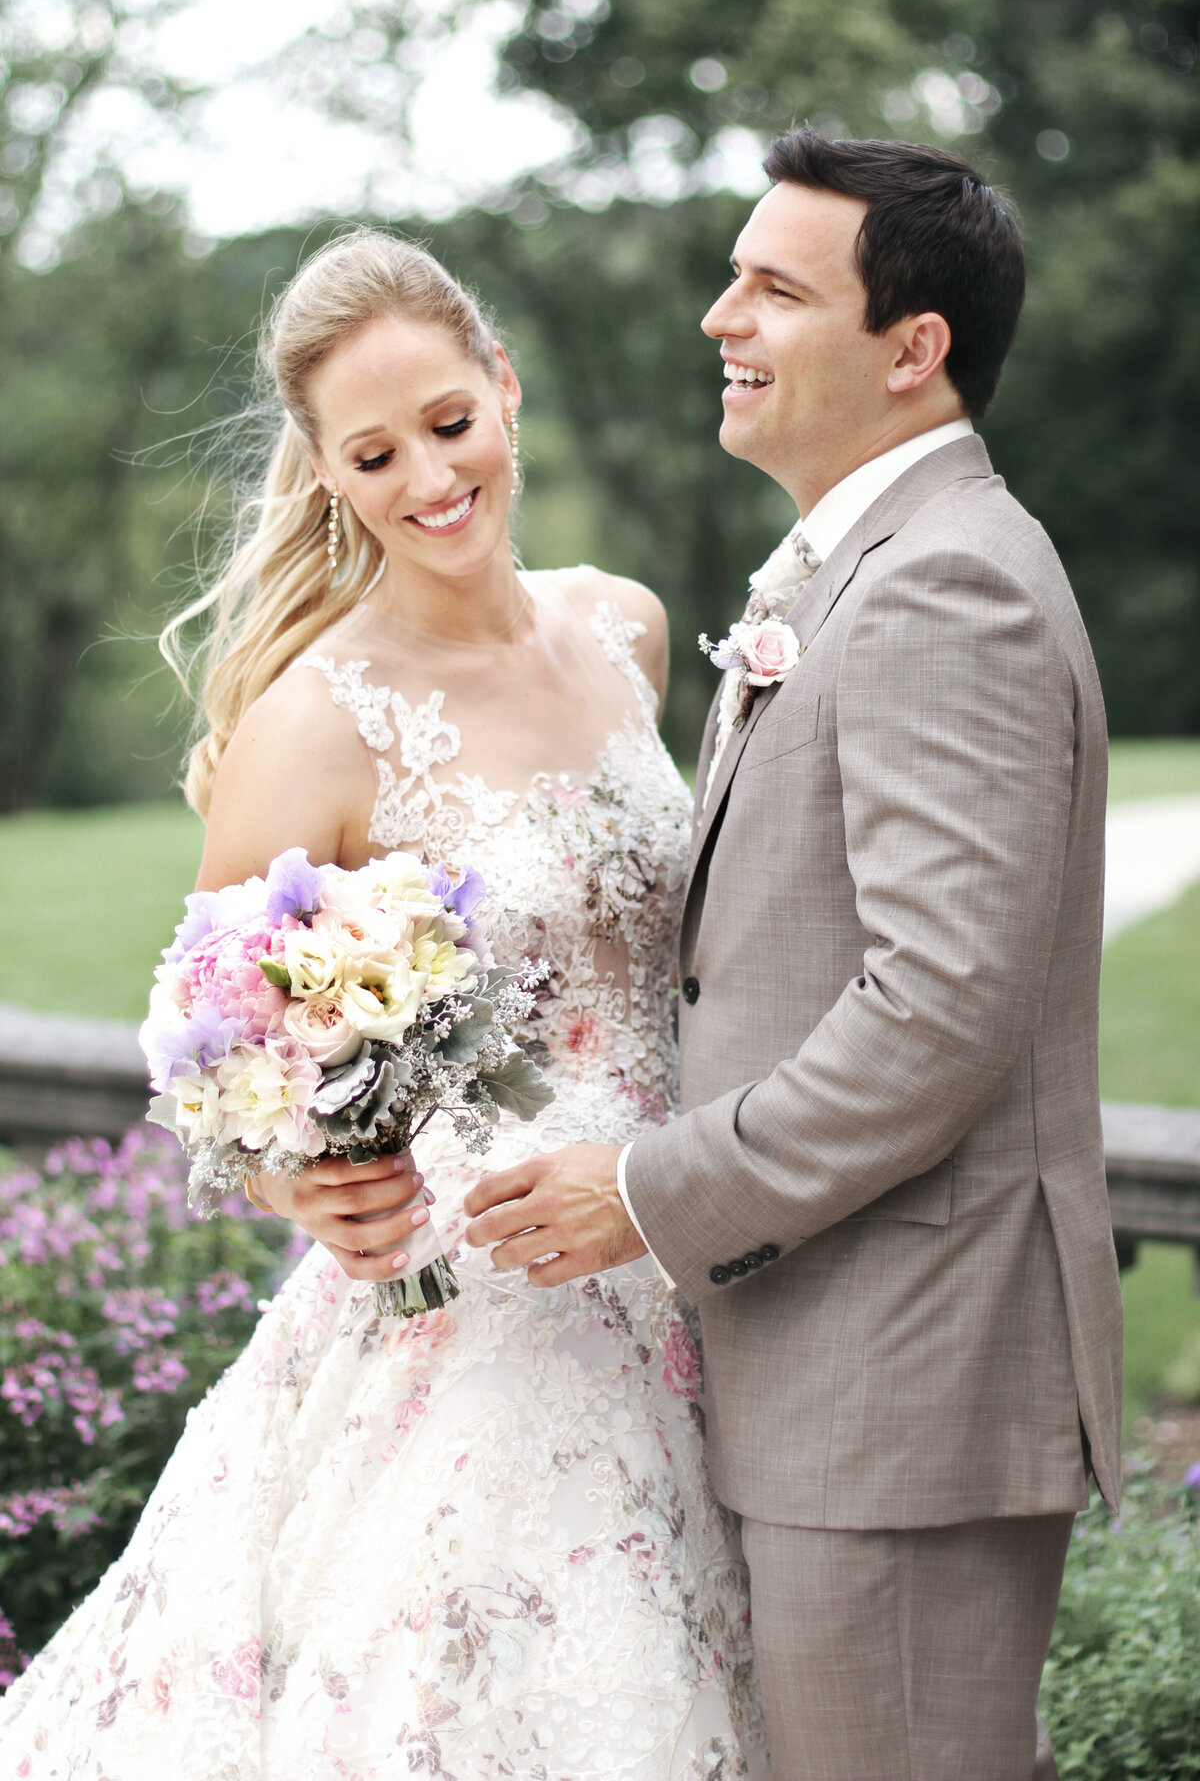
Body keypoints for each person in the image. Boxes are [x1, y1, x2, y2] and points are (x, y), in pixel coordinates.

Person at [0, 230, 767, 1779]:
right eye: (375, 451)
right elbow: (212, 1031)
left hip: (688, 1248)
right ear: (328, 472)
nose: (429, 474)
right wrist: (303, 1179)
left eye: (448, 422)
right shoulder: (318, 723)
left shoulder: (617, 627)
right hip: (477, 1309)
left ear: (504, 387)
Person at [465, 131, 1124, 1781]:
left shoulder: (945, 586)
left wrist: (648, 1189)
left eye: (773, 286)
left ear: (914, 351)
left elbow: (937, 1008)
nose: (718, 317)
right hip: (835, 1364)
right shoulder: (871, 563)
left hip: (902, 1382)